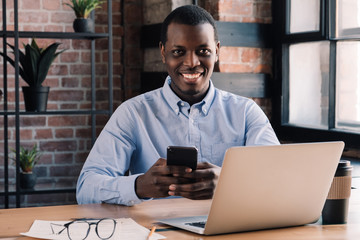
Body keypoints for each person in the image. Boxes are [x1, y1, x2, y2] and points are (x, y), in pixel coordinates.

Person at [76, 5, 279, 206]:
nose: (191, 62)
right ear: (163, 53)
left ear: (217, 52)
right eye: (178, 52)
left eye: (203, 51)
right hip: (155, 234)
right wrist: (138, 186)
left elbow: (278, 180)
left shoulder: (246, 113)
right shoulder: (132, 113)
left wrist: (229, 184)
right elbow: (86, 188)